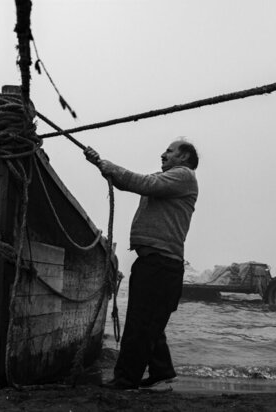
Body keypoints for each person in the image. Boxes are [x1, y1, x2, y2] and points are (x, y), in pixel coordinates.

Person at [84, 139, 199, 391]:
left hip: (161, 265)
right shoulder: (169, 180)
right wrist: (100, 164)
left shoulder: (183, 176)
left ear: (184, 157)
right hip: (157, 263)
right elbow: (132, 182)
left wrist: (107, 165)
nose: (163, 154)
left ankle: (125, 380)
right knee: (152, 322)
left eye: (169, 151)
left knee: (140, 323)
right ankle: (162, 371)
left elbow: (142, 183)